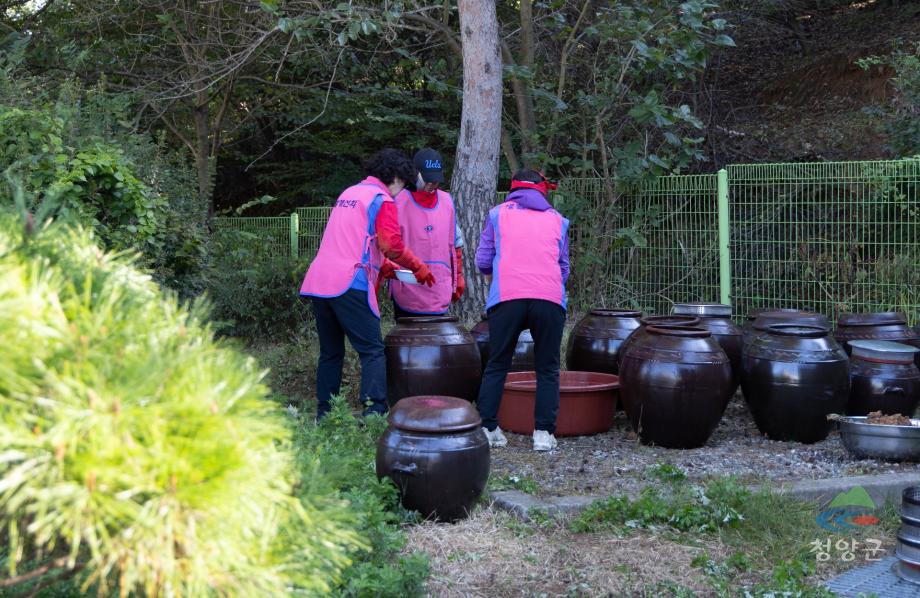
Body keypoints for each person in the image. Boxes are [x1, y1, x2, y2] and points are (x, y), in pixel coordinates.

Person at [300, 148, 436, 419]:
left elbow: (353, 240)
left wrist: (384, 266)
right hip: (349, 282)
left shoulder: (350, 193)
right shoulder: (382, 199)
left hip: (319, 281)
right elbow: (391, 245)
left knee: (331, 353)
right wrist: (418, 266)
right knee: (373, 350)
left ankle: (325, 414)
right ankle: (374, 412)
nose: (401, 190)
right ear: (396, 177)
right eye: (403, 184)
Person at [474, 169, 570, 451]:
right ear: (543, 190)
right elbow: (563, 266)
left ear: (513, 189)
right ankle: (543, 434)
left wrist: (497, 277)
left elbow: (483, 259)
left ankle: (488, 427)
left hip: (507, 297)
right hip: (549, 298)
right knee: (548, 368)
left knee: (497, 363)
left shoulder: (496, 214)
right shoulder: (558, 221)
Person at [381, 148, 465, 317]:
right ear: (415, 175)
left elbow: (455, 244)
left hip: (439, 287)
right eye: (427, 180)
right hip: (407, 287)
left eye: (435, 180)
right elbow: (386, 245)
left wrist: (458, 277)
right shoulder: (398, 201)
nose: (432, 184)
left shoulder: (447, 202)